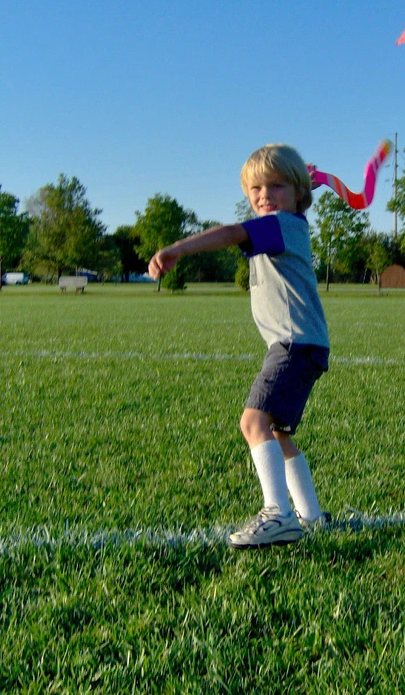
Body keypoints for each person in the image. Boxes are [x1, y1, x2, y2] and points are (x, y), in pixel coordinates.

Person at [148, 144, 330, 549]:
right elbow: (260, 218)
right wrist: (293, 181)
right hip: (304, 344)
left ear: (298, 192)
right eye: (256, 188)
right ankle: (311, 516)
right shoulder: (291, 222)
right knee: (278, 432)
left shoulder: (280, 224)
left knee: (253, 423)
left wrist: (177, 248)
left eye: (276, 185)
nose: (264, 195)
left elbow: (233, 233)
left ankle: (277, 514)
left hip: (294, 345)